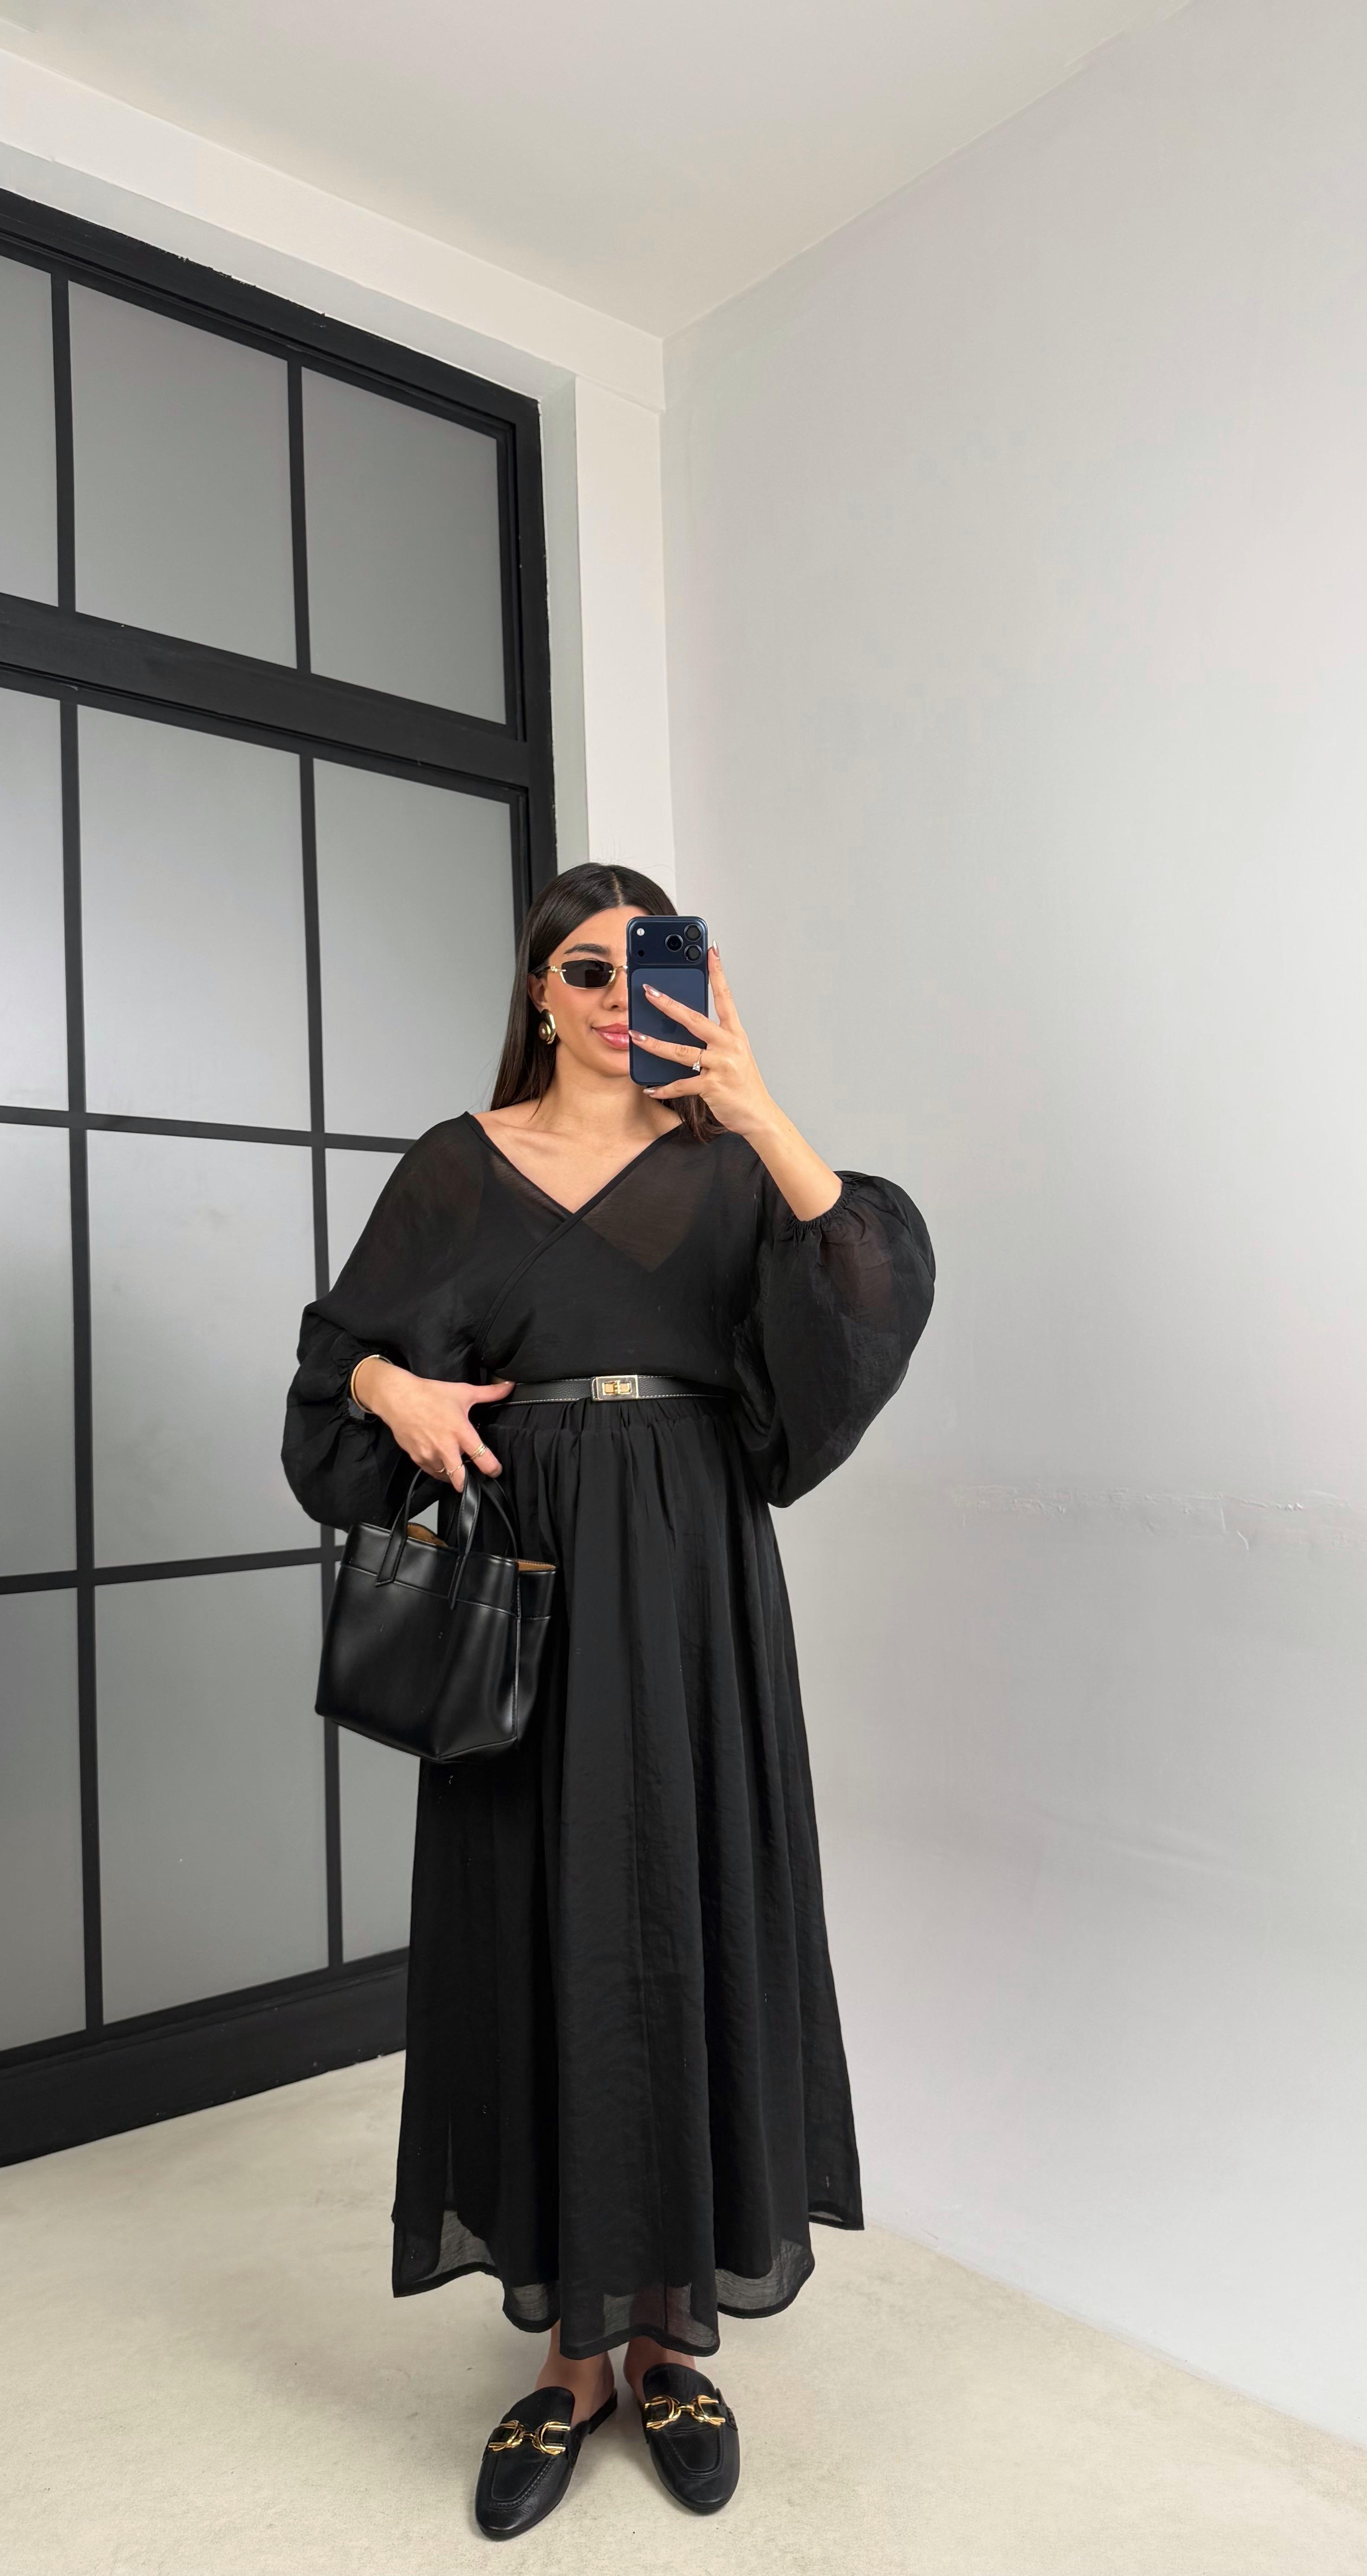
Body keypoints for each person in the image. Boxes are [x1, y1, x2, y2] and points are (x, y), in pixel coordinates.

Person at [281, 862, 934, 2539]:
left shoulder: (734, 1170)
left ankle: (668, 2343)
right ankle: (570, 2359)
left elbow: (865, 1303)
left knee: (690, 1916)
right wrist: (391, 1385)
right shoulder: (459, 1164)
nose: (612, 998)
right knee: (539, 1929)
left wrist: (761, 1106)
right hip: (532, 1584)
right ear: (538, 993)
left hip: (699, 1582)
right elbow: (328, 1374)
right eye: (583, 969)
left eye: (649, 966)